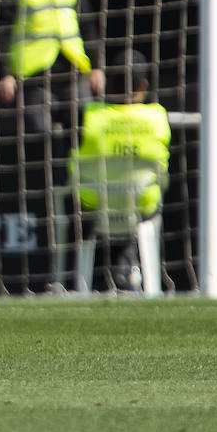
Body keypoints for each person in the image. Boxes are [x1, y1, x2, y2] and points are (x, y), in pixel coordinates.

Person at [0, 0, 104, 291]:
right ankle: (47, 203)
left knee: (84, 131)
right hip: (33, 75)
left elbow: (87, 22)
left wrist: (96, 66)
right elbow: (0, 26)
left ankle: (78, 196)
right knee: (40, 138)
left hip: (71, 69)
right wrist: (3, 72)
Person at [68, 50, 170, 296]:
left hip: (94, 205)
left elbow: (72, 167)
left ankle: (103, 276)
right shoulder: (157, 116)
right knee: (137, 198)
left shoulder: (91, 115)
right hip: (140, 205)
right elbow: (163, 171)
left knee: (104, 195)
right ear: (144, 84)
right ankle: (127, 273)